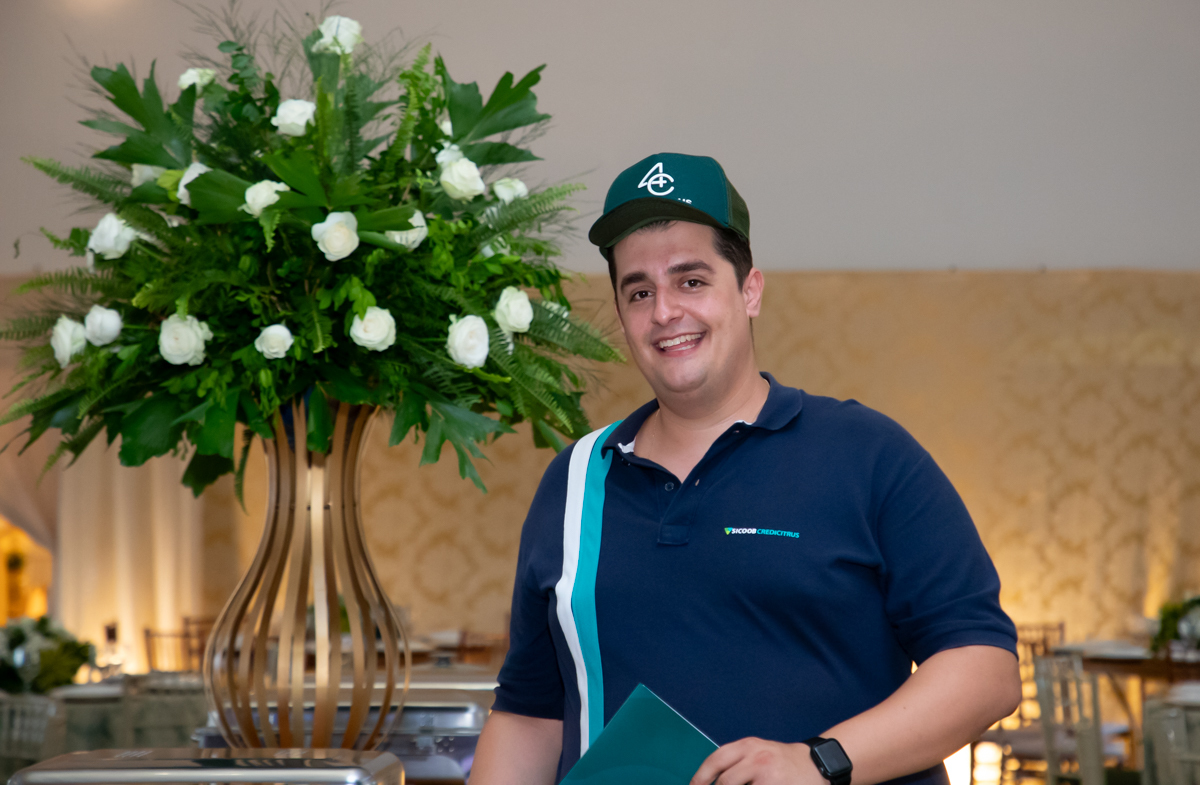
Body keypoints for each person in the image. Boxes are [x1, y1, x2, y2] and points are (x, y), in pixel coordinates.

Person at [470, 153, 1021, 785]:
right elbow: (530, 716)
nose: (665, 312)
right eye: (640, 292)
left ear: (750, 290)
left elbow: (984, 668)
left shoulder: (867, 455)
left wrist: (818, 761)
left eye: (691, 281)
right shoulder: (574, 482)